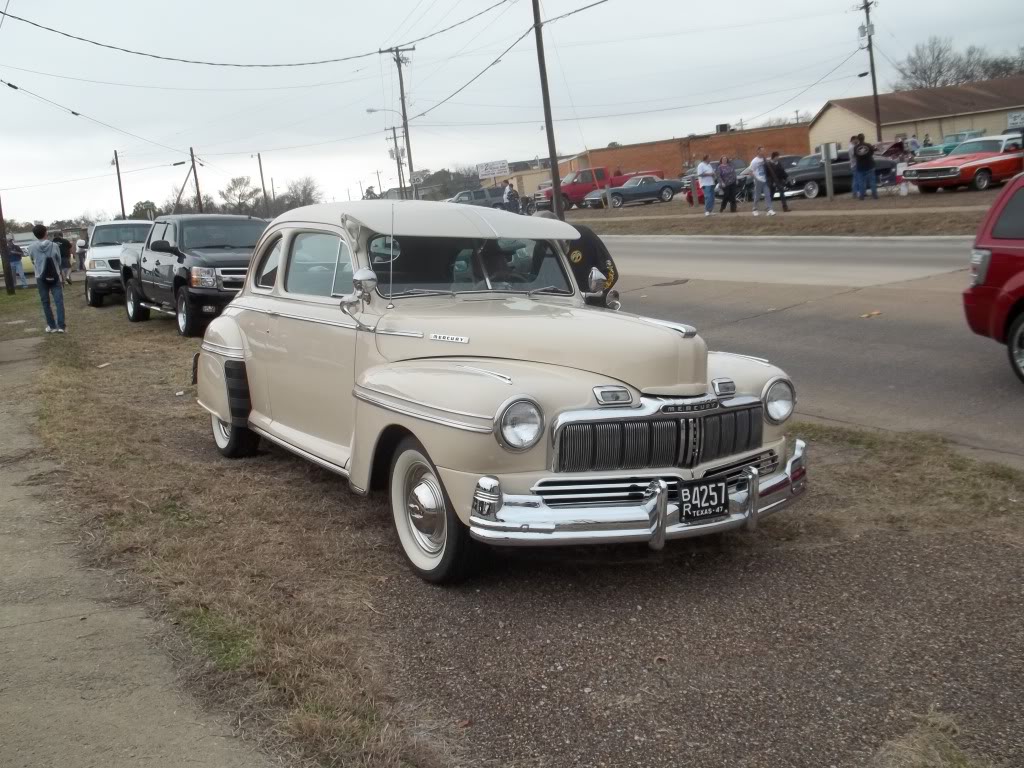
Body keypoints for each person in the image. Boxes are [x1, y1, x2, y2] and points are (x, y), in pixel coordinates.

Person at [28, 224, 66, 333]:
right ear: (46, 233)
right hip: (55, 276)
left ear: (35, 235)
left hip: (40, 277)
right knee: (59, 302)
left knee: (45, 302)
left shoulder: (31, 247)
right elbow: (59, 261)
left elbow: (32, 260)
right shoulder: (54, 246)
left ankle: (51, 326)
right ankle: (61, 327)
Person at [748, 147, 774, 216]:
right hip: (758, 180)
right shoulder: (754, 161)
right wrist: (755, 178)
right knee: (757, 196)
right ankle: (755, 209)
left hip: (765, 180)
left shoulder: (765, 159)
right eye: (762, 151)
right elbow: (750, 171)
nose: (763, 152)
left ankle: (769, 209)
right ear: (758, 151)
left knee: (768, 194)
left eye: (764, 150)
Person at [852, 132, 878, 201]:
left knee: (861, 182)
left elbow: (855, 156)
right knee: (872, 181)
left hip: (860, 166)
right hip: (870, 165)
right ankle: (875, 195)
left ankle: (861, 197)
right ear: (864, 138)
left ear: (858, 139)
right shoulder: (868, 145)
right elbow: (872, 153)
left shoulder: (855, 147)